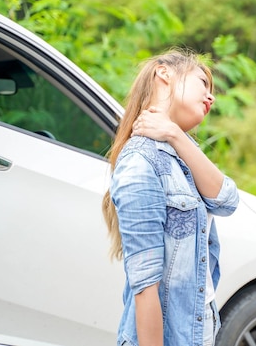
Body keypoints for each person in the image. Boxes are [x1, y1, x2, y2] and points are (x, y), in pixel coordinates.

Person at [101, 49, 239, 346]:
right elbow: (145, 285)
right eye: (203, 83)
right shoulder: (140, 161)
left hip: (199, 328)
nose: (211, 98)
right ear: (164, 73)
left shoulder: (179, 150)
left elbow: (227, 201)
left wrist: (174, 134)